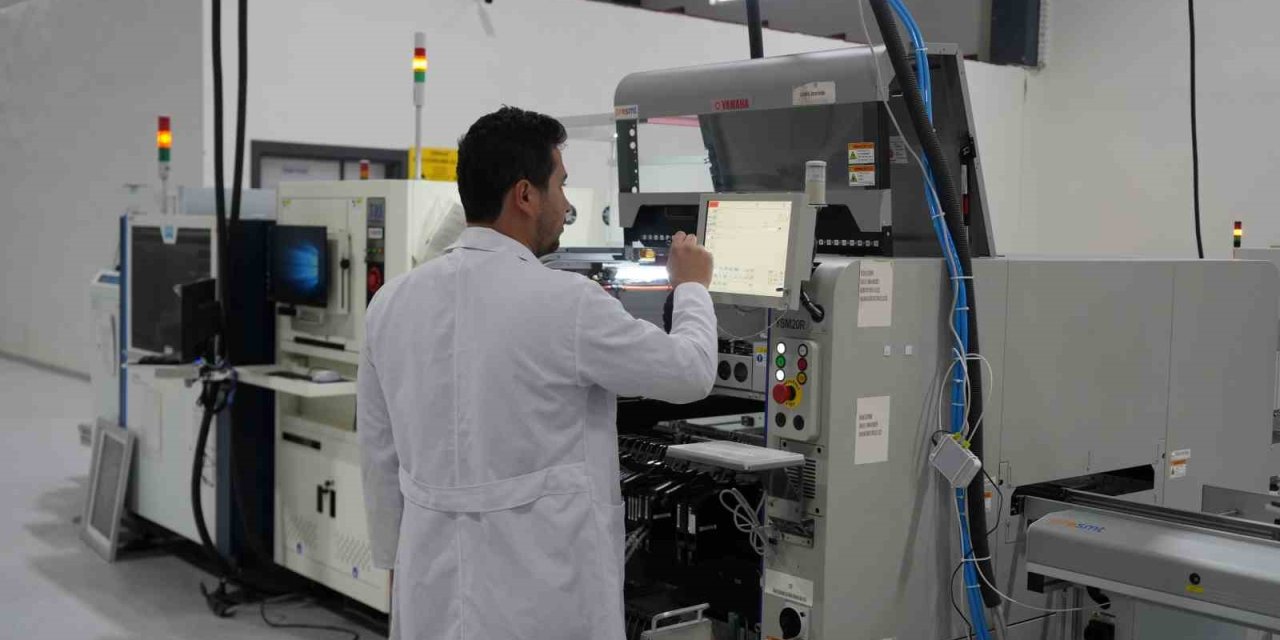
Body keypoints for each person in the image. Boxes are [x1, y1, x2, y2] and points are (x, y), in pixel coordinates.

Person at [358, 106, 718, 640]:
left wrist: (395, 565)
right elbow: (691, 372)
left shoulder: (391, 303)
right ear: (525, 195)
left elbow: (378, 454)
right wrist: (691, 287)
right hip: (541, 595)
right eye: (562, 185)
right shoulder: (567, 302)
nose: (567, 205)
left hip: (430, 584)